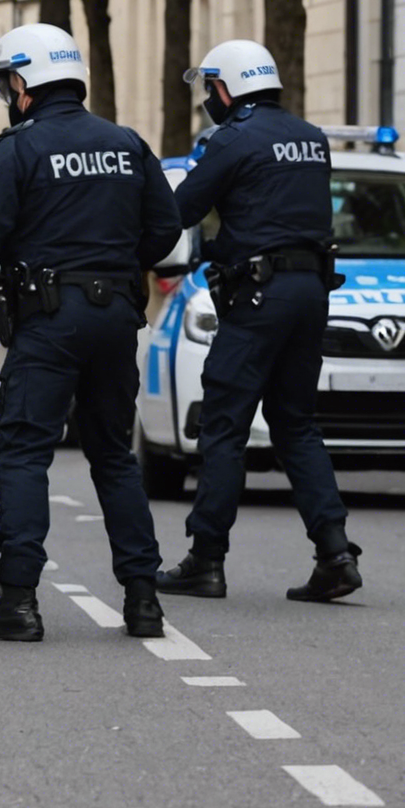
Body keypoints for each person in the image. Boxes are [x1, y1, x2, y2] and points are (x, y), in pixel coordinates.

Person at [0, 23, 182, 642]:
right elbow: (166, 229)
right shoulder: (127, 143)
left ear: (24, 83)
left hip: (47, 322)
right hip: (116, 318)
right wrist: (122, 263)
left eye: (7, 82)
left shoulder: (19, 150)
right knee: (113, 457)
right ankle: (143, 598)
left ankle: (16, 600)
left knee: (21, 454)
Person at [157, 39, 361, 603]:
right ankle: (335, 552)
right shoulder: (311, 138)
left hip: (258, 296)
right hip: (311, 291)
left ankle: (205, 559)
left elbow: (181, 211)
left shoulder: (232, 139)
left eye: (210, 92)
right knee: (296, 423)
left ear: (228, 89)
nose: (208, 103)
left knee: (224, 426)